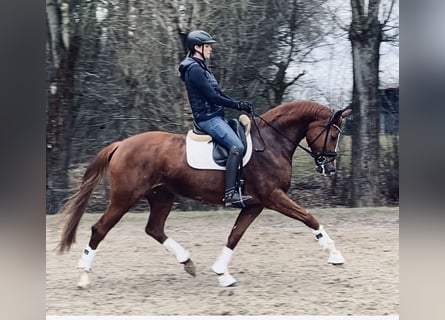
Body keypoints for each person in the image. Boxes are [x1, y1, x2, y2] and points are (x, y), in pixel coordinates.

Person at [179, 30, 252, 208]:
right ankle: (230, 194)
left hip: (216, 116)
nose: (210, 49)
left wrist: (239, 103)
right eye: (207, 46)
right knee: (237, 146)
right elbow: (212, 97)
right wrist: (237, 106)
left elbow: (218, 93)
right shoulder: (194, 69)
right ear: (197, 47)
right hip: (207, 118)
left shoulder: (202, 67)